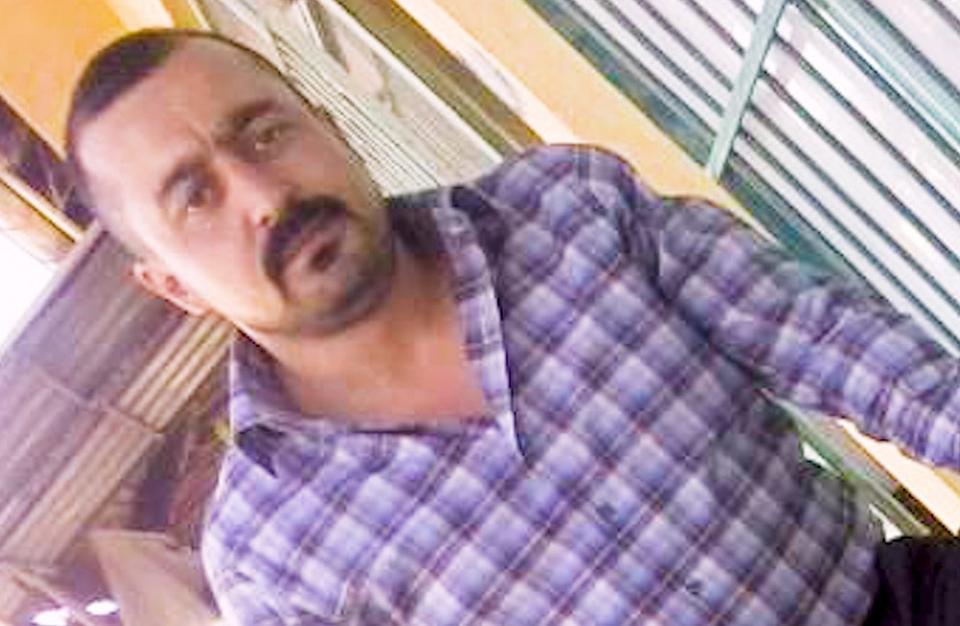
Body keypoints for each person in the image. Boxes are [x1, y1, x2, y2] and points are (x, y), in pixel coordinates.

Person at [64, 29, 960, 626]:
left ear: (329, 125)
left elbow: (847, 349)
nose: (265, 196)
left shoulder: (573, 213)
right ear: (171, 285)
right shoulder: (271, 553)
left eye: (265, 134)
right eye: (195, 196)